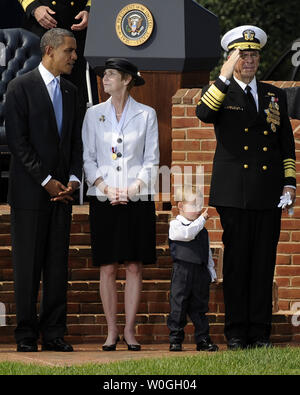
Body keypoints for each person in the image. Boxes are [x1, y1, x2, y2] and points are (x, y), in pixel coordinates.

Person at [196, 25, 296, 350]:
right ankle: (237, 333)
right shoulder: (221, 91)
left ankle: (260, 333)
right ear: (231, 58)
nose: (249, 60)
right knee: (238, 265)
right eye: (242, 54)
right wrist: (223, 75)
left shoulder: (274, 94)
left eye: (253, 54)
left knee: (263, 263)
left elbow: (285, 144)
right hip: (234, 193)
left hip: (268, 193)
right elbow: (203, 113)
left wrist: (289, 183)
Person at [5, 28, 82, 352]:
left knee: (56, 268)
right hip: (30, 196)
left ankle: (53, 334)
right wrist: (46, 181)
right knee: (28, 268)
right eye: (69, 51)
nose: (75, 57)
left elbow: (76, 142)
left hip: (62, 196)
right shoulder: (20, 87)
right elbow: (18, 144)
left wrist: (75, 180)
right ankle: (25, 336)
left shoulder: (73, 91)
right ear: (49, 51)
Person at [82, 58, 159, 351]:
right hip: (104, 197)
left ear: (127, 79)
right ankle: (111, 331)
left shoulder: (147, 114)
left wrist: (133, 188)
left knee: (135, 265)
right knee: (107, 266)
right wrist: (104, 187)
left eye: (111, 75)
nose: (104, 79)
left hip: (137, 197)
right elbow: (88, 157)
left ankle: (129, 331)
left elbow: (152, 159)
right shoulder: (93, 114)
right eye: (104, 75)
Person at [18, 0, 92, 123]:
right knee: (37, 96)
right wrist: (33, 7)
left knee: (75, 99)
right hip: (41, 26)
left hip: (76, 26)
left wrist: (90, 9)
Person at [167, 186, 218, 352]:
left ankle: (203, 339)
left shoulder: (202, 230)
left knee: (200, 308)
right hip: (182, 271)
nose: (198, 210)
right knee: (178, 306)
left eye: (199, 205)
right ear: (181, 206)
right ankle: (175, 339)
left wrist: (211, 271)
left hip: (200, 272)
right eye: (193, 205)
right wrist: (201, 220)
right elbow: (187, 234)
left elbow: (207, 252)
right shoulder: (176, 225)